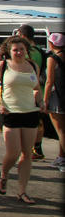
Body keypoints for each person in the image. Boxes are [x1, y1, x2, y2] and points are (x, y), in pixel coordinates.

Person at [0, 36, 43, 204]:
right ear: (9, 52)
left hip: (30, 112)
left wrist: (41, 101)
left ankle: (22, 191)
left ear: (26, 50)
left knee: (27, 154)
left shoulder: (33, 66)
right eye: (15, 50)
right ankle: (4, 175)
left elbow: (36, 88)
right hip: (10, 112)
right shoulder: (3, 66)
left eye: (21, 49)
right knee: (13, 152)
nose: (18, 52)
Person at [16, 24, 47, 160]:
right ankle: (38, 148)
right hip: (40, 87)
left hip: (29, 89)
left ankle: (28, 150)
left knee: (28, 121)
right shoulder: (39, 50)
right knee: (38, 120)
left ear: (23, 36)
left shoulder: (28, 52)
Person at [43, 33, 65, 172]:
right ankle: (60, 156)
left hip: (57, 97)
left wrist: (44, 100)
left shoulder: (52, 58)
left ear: (51, 44)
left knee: (61, 131)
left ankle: (63, 160)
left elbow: (49, 81)